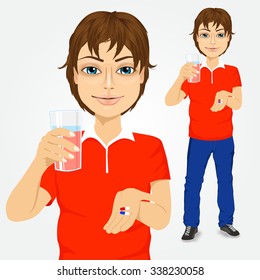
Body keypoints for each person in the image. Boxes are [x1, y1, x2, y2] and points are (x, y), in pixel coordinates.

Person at [6, 11, 171, 259]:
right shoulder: (65, 146)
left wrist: (135, 202)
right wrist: (39, 163)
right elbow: (17, 213)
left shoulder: (150, 147)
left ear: (141, 75)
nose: (108, 84)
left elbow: (162, 218)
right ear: (74, 74)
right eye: (92, 70)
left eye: (124, 69)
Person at [165, 7, 242, 240]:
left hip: (224, 139)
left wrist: (225, 96)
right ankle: (190, 224)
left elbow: (238, 102)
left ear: (228, 38)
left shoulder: (231, 72)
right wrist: (180, 76)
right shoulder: (192, 73)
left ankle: (226, 221)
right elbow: (170, 101)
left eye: (219, 34)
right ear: (196, 38)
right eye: (205, 34)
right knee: (193, 181)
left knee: (225, 180)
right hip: (197, 138)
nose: (212, 41)